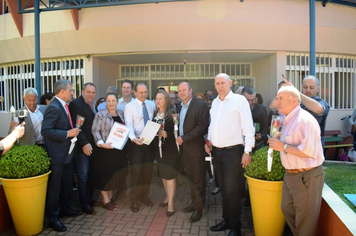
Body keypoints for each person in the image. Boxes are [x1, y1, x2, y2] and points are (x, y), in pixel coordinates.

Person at [268, 85, 324, 236]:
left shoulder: (305, 121)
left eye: (280, 99)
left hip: (306, 176)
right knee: (287, 209)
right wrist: (279, 140)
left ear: (294, 101)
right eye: (277, 98)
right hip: (291, 176)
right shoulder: (286, 119)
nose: (277, 102)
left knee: (306, 223)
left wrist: (283, 146)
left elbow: (310, 152)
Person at [205, 73, 255, 236]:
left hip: (234, 152)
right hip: (217, 152)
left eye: (223, 83)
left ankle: (235, 228)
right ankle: (227, 220)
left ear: (230, 83)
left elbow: (249, 127)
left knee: (233, 191)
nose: (220, 86)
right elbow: (213, 125)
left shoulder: (239, 101)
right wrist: (209, 141)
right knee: (224, 189)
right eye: (217, 83)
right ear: (214, 85)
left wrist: (247, 151)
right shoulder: (215, 103)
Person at [41, 79, 82, 232]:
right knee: (54, 187)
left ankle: (65, 209)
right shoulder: (53, 107)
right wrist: (67, 133)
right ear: (62, 91)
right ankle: (53, 218)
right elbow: (45, 131)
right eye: (70, 90)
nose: (72, 93)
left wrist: (73, 132)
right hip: (57, 156)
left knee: (66, 184)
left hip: (66, 154)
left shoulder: (64, 106)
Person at [177, 82, 209, 223]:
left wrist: (184, 138)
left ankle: (199, 209)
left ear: (190, 90)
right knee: (190, 178)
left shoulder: (200, 105)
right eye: (179, 91)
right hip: (185, 149)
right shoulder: (181, 107)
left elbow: (202, 127)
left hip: (196, 148)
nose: (181, 93)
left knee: (199, 180)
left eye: (184, 90)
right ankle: (193, 203)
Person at [91, 92, 127, 211]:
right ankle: (106, 201)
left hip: (117, 151)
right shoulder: (100, 115)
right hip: (104, 151)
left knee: (113, 175)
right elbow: (95, 131)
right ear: (105, 102)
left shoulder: (121, 114)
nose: (111, 103)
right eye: (108, 101)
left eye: (113, 101)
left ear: (117, 102)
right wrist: (102, 144)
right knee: (105, 176)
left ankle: (110, 199)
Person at [271, 75, 330, 146]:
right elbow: (273, 106)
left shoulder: (321, 103)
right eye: (305, 87)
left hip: (313, 146)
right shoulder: (296, 101)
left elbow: (319, 109)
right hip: (294, 146)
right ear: (301, 87)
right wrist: (283, 92)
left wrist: (296, 92)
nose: (308, 90)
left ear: (318, 89)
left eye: (311, 88)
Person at [124, 82, 156, 213]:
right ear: (135, 93)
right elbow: (129, 125)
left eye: (145, 92)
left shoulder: (151, 104)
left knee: (148, 172)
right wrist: (133, 138)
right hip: (136, 144)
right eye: (141, 92)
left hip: (149, 143)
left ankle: (144, 196)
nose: (144, 94)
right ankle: (134, 200)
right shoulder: (129, 107)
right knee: (137, 173)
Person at [68, 83, 97, 215]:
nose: (91, 94)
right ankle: (84, 203)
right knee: (83, 176)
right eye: (88, 92)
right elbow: (77, 127)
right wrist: (85, 143)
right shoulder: (77, 104)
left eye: (93, 92)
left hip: (93, 146)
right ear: (82, 91)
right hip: (82, 148)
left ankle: (89, 199)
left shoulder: (93, 104)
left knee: (91, 175)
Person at [152, 90, 180, 217]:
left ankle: (171, 203)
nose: (158, 101)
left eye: (160, 99)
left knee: (170, 176)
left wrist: (167, 134)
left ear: (166, 100)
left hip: (170, 150)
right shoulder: (155, 113)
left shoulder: (172, 113)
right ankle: (168, 197)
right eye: (156, 99)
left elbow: (178, 132)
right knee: (163, 175)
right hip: (159, 150)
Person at [241, 86, 268, 151]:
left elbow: (265, 128)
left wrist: (260, 136)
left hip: (256, 146)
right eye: (247, 100)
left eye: (252, 100)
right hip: (239, 147)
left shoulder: (261, 109)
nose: (250, 103)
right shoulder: (235, 110)